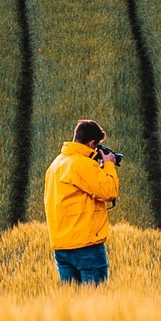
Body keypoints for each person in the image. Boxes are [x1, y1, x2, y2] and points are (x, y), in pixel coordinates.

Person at [43, 119, 120, 286]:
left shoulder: (56, 165)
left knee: (72, 304)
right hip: (86, 247)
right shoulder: (81, 164)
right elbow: (109, 191)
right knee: (94, 305)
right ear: (92, 143)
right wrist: (108, 165)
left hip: (61, 246)